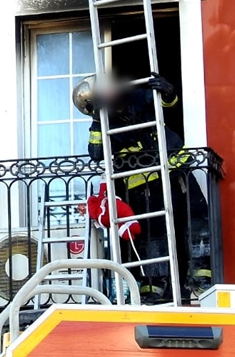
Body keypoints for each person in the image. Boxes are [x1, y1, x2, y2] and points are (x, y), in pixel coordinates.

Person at [73, 72, 201, 304]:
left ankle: (197, 282)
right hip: (143, 187)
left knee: (191, 226)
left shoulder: (139, 97)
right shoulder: (105, 122)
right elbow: (96, 153)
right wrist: (97, 120)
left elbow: (167, 107)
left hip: (177, 175)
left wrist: (168, 91)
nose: (109, 92)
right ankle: (155, 286)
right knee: (154, 237)